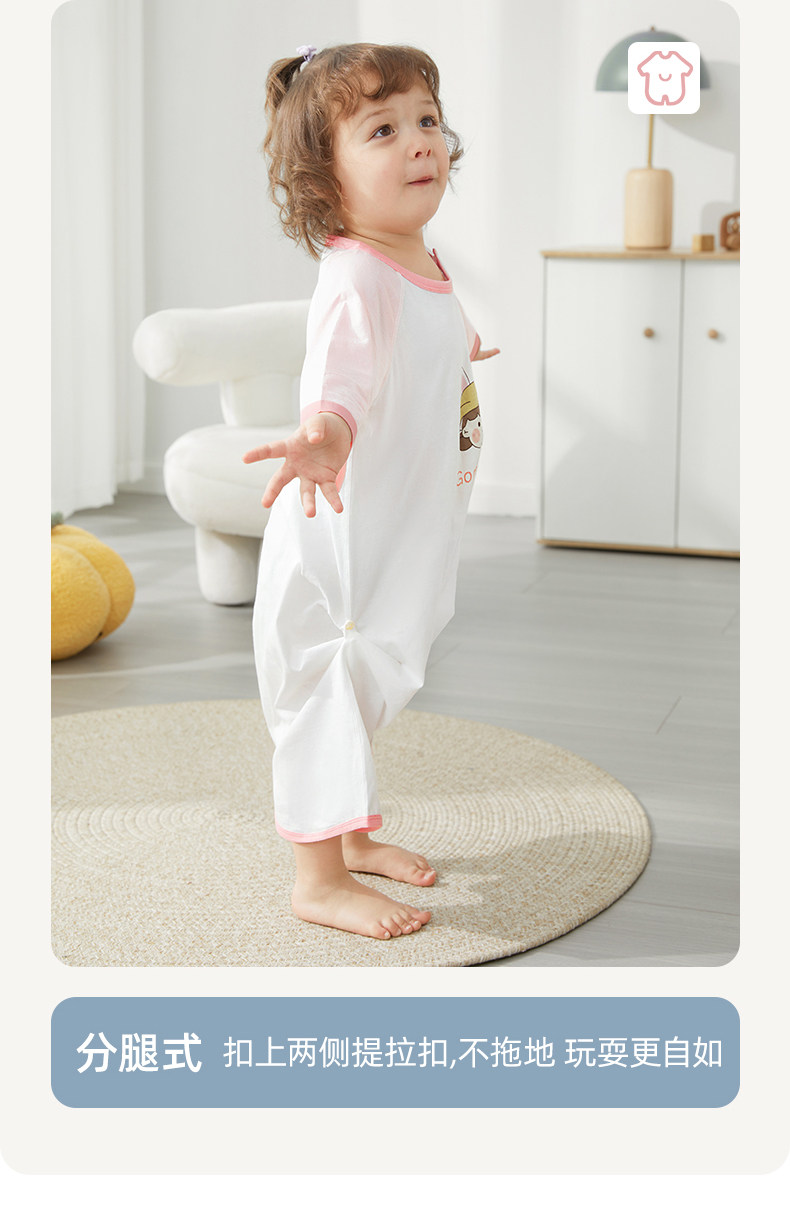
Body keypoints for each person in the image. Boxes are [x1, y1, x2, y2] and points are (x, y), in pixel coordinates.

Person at [243, 42, 499, 940]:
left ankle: (350, 836)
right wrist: (326, 435)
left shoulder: (416, 261)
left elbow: (419, 329)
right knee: (332, 687)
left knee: (370, 685)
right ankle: (318, 879)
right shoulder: (356, 275)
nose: (419, 141)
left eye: (426, 119)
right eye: (382, 130)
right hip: (342, 557)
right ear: (326, 180)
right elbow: (341, 382)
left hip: (401, 533)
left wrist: (458, 342)